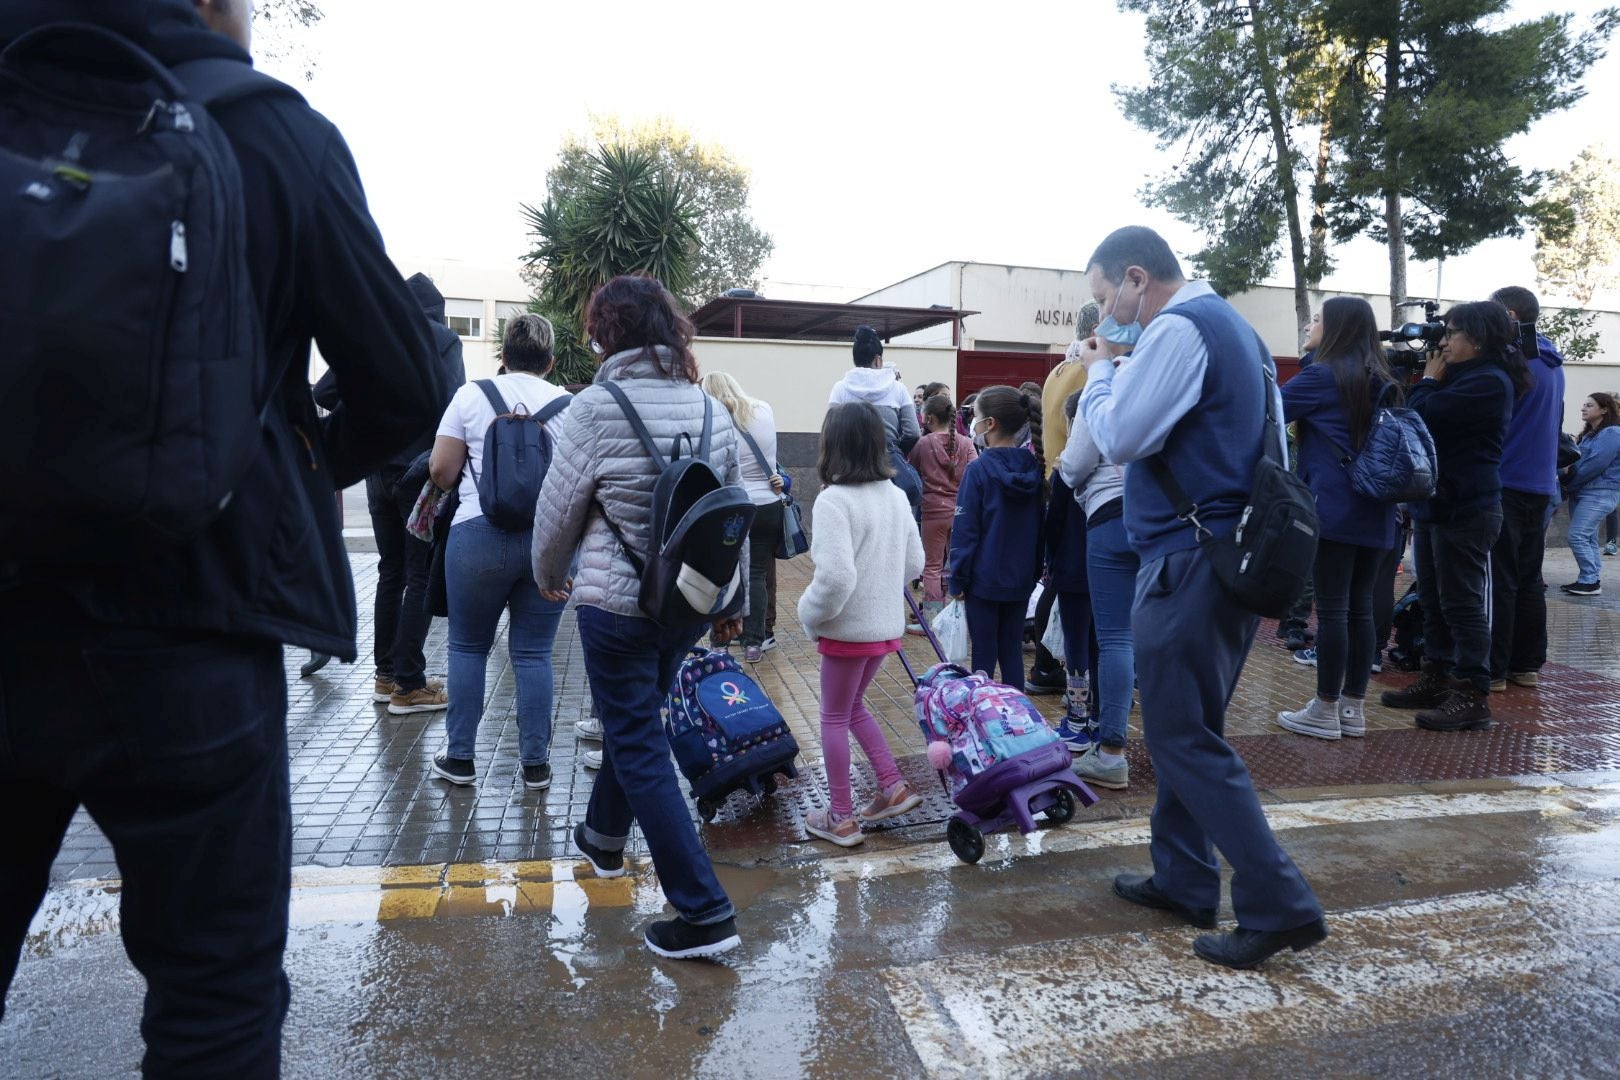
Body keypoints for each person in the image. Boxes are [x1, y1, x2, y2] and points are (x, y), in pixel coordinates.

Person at [0, 1, 447, 1072]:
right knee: (215, 997)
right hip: (197, 622)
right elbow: (407, 381)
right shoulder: (269, 129)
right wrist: (280, 463)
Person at [1075, 225, 1325, 970]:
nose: (1107, 315)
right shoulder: (1235, 331)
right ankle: (1184, 877)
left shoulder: (1180, 328)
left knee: (1185, 735)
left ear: (1135, 278)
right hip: (1220, 555)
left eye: (1105, 298)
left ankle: (1280, 904)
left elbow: (1120, 437)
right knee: (1191, 725)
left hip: (1187, 559)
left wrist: (1097, 373)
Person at [532, 274, 747, 960]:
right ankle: (601, 836)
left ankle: (704, 910)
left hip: (616, 605)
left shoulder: (595, 407)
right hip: (685, 603)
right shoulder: (711, 409)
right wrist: (729, 606)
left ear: (607, 333)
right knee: (638, 726)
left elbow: (557, 510)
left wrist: (546, 576)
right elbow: (731, 515)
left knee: (637, 740)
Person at [427, 315, 571, 789]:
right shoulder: (569, 406)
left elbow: (442, 472)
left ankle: (461, 759)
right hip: (546, 544)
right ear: (550, 362)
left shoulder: (470, 395)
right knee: (533, 654)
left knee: (468, 647)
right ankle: (536, 765)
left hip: (476, 536)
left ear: (503, 356)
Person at [317, 273, 465, 714]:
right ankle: (410, 683)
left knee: (391, 571)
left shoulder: (376, 332)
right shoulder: (443, 340)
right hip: (418, 475)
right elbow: (453, 402)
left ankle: (385, 676)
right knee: (419, 574)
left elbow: (325, 390)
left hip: (376, 472)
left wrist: (368, 422)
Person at [1380, 301, 1525, 731]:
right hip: (1437, 504)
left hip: (1468, 507)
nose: (1443, 342)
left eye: (1453, 333)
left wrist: (1426, 380)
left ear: (1479, 339)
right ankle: (1437, 676)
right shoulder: (1464, 377)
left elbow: (1423, 417)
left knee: (1461, 604)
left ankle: (1472, 693)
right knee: (1434, 600)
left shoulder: (1490, 382)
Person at [797, 404, 926, 846]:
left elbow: (835, 578)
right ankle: (892, 785)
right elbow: (915, 562)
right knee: (852, 709)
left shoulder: (834, 499)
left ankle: (841, 817)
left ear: (832, 444)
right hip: (883, 628)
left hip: (846, 629)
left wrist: (808, 615)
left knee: (833, 716)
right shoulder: (893, 493)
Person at [1274, 300, 1400, 740]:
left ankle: (1324, 708)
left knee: (1331, 611)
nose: (1310, 325)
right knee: (1360, 608)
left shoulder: (1323, 375)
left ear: (1338, 329)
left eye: (1317, 320)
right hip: (1378, 506)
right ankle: (1352, 709)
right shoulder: (1382, 376)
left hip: (1334, 505)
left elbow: (1271, 412)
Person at [1060, 363, 1137, 790]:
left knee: (1116, 639)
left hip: (1109, 516)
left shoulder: (1103, 381)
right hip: (1159, 516)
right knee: (1151, 634)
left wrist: (1072, 477)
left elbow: (1075, 464)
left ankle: (1110, 752)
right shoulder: (1161, 371)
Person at [1486, 286, 1565, 689]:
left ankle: (1494, 669)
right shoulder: (1552, 361)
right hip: (1539, 484)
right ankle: (1526, 664)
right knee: (1529, 578)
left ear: (1511, 317)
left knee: (1498, 578)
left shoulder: (1512, 361)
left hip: (1506, 480)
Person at [948, 385, 1045, 691]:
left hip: (983, 582)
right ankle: (1016, 725)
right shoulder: (1034, 467)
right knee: (1012, 655)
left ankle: (986, 726)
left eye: (974, 417)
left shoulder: (978, 471)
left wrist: (958, 580)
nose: (972, 424)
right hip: (1020, 581)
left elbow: (966, 532)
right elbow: (1040, 529)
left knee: (983, 661)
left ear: (990, 424)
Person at [701, 371, 785, 662]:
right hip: (768, 504)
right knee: (758, 575)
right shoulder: (764, 410)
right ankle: (753, 643)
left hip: (732, 506)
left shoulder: (713, 421)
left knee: (724, 573)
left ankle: (720, 642)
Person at [830, 326, 923, 517]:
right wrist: (894, 449)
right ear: (878, 359)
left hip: (849, 468)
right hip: (887, 469)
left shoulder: (840, 388)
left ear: (855, 359)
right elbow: (913, 432)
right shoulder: (898, 388)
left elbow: (831, 433)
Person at [908, 394, 977, 626]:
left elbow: (912, 471)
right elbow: (974, 472)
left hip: (932, 512)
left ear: (928, 419)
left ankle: (932, 619)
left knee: (932, 567)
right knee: (957, 565)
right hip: (961, 512)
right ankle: (958, 618)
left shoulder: (923, 444)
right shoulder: (967, 443)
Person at [1562, 392, 1620, 595]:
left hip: (1599, 492)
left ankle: (1590, 580)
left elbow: (1595, 464)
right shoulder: (1588, 435)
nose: (1583, 408)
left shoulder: (1613, 433)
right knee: (1588, 538)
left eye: (1589, 405)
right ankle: (1590, 579)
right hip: (1583, 491)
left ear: (1604, 409)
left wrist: (1567, 484)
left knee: (1577, 536)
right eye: (1583, 404)